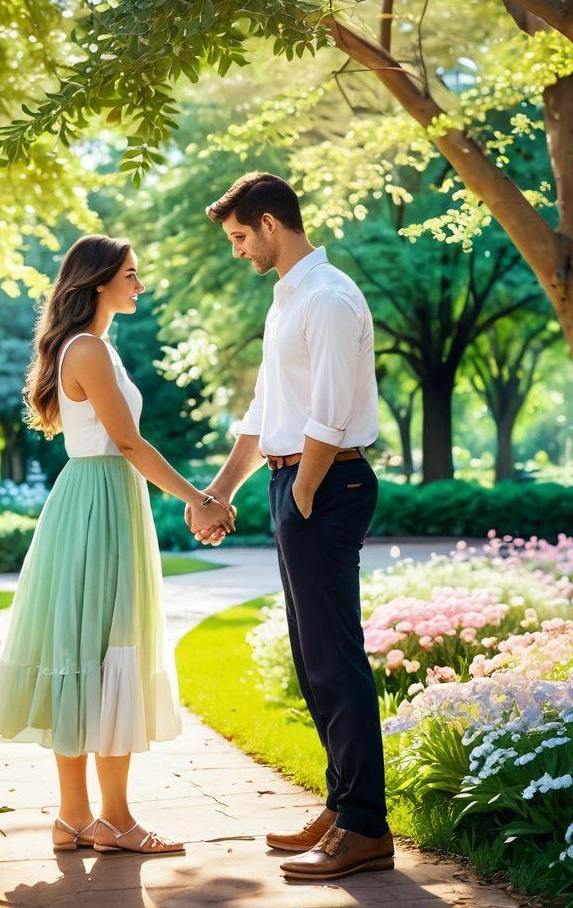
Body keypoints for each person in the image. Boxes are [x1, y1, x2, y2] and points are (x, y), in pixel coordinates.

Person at [0, 234, 235, 856]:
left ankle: (74, 819)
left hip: (90, 501)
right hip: (101, 500)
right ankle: (115, 820)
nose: (139, 285)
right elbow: (128, 442)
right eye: (130, 274)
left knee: (81, 646)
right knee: (106, 646)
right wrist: (198, 498)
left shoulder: (89, 347)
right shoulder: (89, 349)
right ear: (98, 281)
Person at [191, 172, 394, 880]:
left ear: (272, 223)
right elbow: (264, 413)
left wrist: (302, 491)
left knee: (336, 657)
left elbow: (331, 412)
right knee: (315, 662)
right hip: (296, 482)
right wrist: (219, 491)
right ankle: (343, 807)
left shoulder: (331, 298)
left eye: (242, 237)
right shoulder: (288, 300)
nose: (239, 251)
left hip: (326, 482)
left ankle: (366, 827)